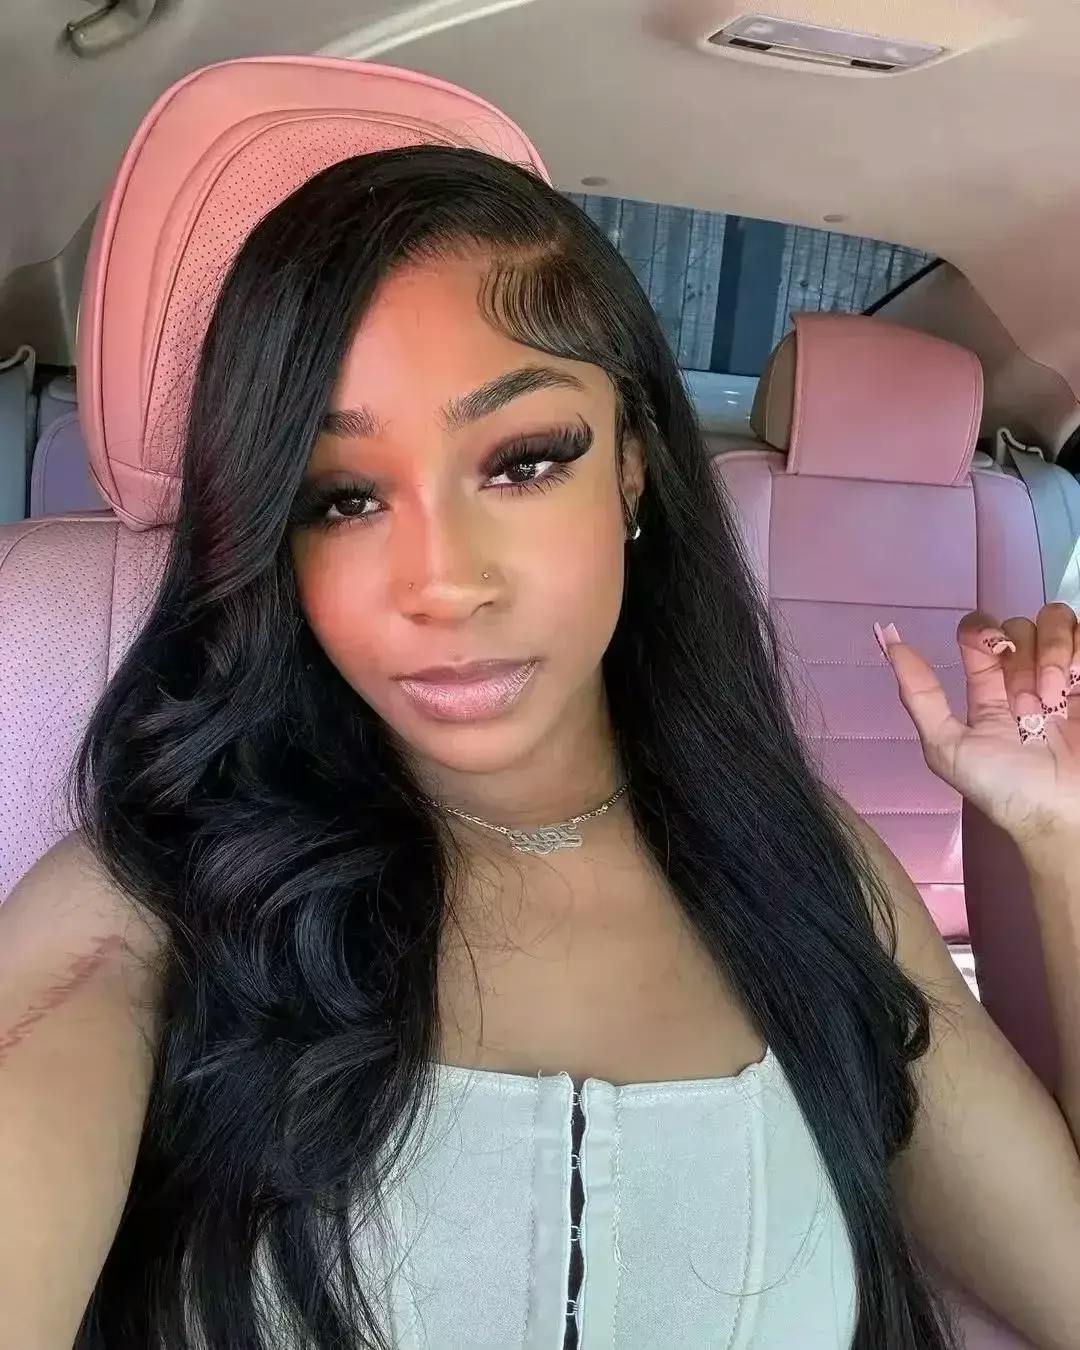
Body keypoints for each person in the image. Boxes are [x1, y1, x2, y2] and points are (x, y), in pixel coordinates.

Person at [0, 144, 1077, 1350]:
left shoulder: (805, 866)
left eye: (523, 463)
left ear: (630, 468)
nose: (445, 584)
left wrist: (1061, 837)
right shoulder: (152, 901)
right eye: (340, 498)